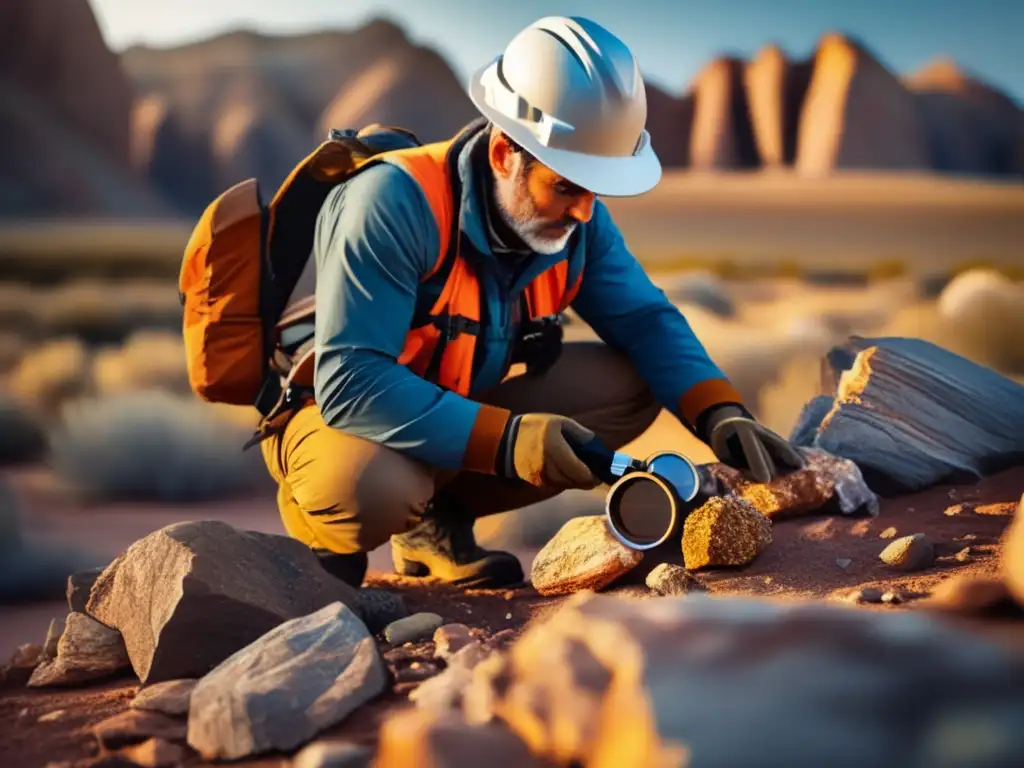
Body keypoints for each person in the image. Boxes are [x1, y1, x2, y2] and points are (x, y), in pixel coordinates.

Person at [258, 15, 803, 589]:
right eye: (567, 186)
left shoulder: (577, 218)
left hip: (449, 406)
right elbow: (353, 383)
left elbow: (645, 320)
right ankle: (322, 532)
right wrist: (511, 440)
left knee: (634, 381)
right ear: (502, 154)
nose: (585, 212)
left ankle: (434, 524)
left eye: (598, 189)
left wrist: (717, 410)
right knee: (374, 490)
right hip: (336, 413)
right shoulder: (393, 202)